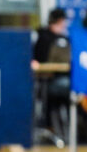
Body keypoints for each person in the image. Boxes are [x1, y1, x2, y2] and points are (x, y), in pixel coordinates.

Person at [32, 8, 74, 141]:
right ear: (60, 21)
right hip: (48, 79)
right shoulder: (43, 37)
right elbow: (38, 60)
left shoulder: (65, 38)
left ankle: (71, 132)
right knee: (61, 91)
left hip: (64, 77)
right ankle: (54, 129)